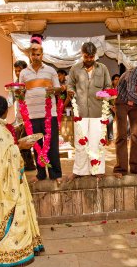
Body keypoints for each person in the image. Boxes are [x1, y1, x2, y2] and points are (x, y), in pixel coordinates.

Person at [0, 95, 44, 267]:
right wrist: (21, 147)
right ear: (7, 110)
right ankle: (11, 254)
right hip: (8, 182)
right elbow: (5, 158)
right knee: (15, 210)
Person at [19, 38, 63, 184]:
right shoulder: (24, 73)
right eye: (33, 54)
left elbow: (58, 89)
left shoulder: (51, 71)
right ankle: (41, 174)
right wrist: (17, 93)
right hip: (31, 116)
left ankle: (56, 174)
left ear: (42, 55)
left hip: (49, 115)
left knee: (52, 146)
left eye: (38, 54)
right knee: (37, 147)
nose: (35, 57)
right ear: (29, 55)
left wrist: (54, 90)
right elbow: (20, 92)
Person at [67, 42, 112, 180]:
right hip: (80, 111)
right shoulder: (75, 69)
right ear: (82, 54)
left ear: (95, 55)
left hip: (98, 111)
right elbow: (70, 85)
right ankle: (79, 170)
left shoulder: (102, 68)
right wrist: (71, 91)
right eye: (86, 57)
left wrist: (105, 94)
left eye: (91, 56)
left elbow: (108, 86)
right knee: (80, 142)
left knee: (97, 141)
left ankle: (97, 169)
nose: (89, 60)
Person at [7, 60, 36, 171]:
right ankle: (27, 165)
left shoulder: (30, 82)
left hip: (31, 118)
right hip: (19, 119)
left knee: (27, 141)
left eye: (20, 70)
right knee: (21, 142)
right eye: (16, 71)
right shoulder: (15, 85)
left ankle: (31, 165)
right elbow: (9, 101)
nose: (18, 73)